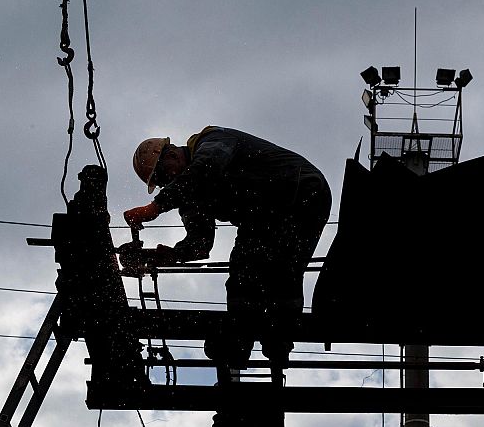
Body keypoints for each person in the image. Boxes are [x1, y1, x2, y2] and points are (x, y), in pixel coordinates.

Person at [123, 127, 330, 375]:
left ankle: (241, 343)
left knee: (251, 268)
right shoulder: (190, 192)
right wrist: (165, 256)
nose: (168, 181)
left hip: (300, 187)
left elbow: (205, 169)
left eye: (164, 174)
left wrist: (155, 207)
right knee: (281, 272)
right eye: (163, 182)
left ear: (171, 153)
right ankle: (275, 343)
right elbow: (200, 244)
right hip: (273, 210)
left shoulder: (211, 142)